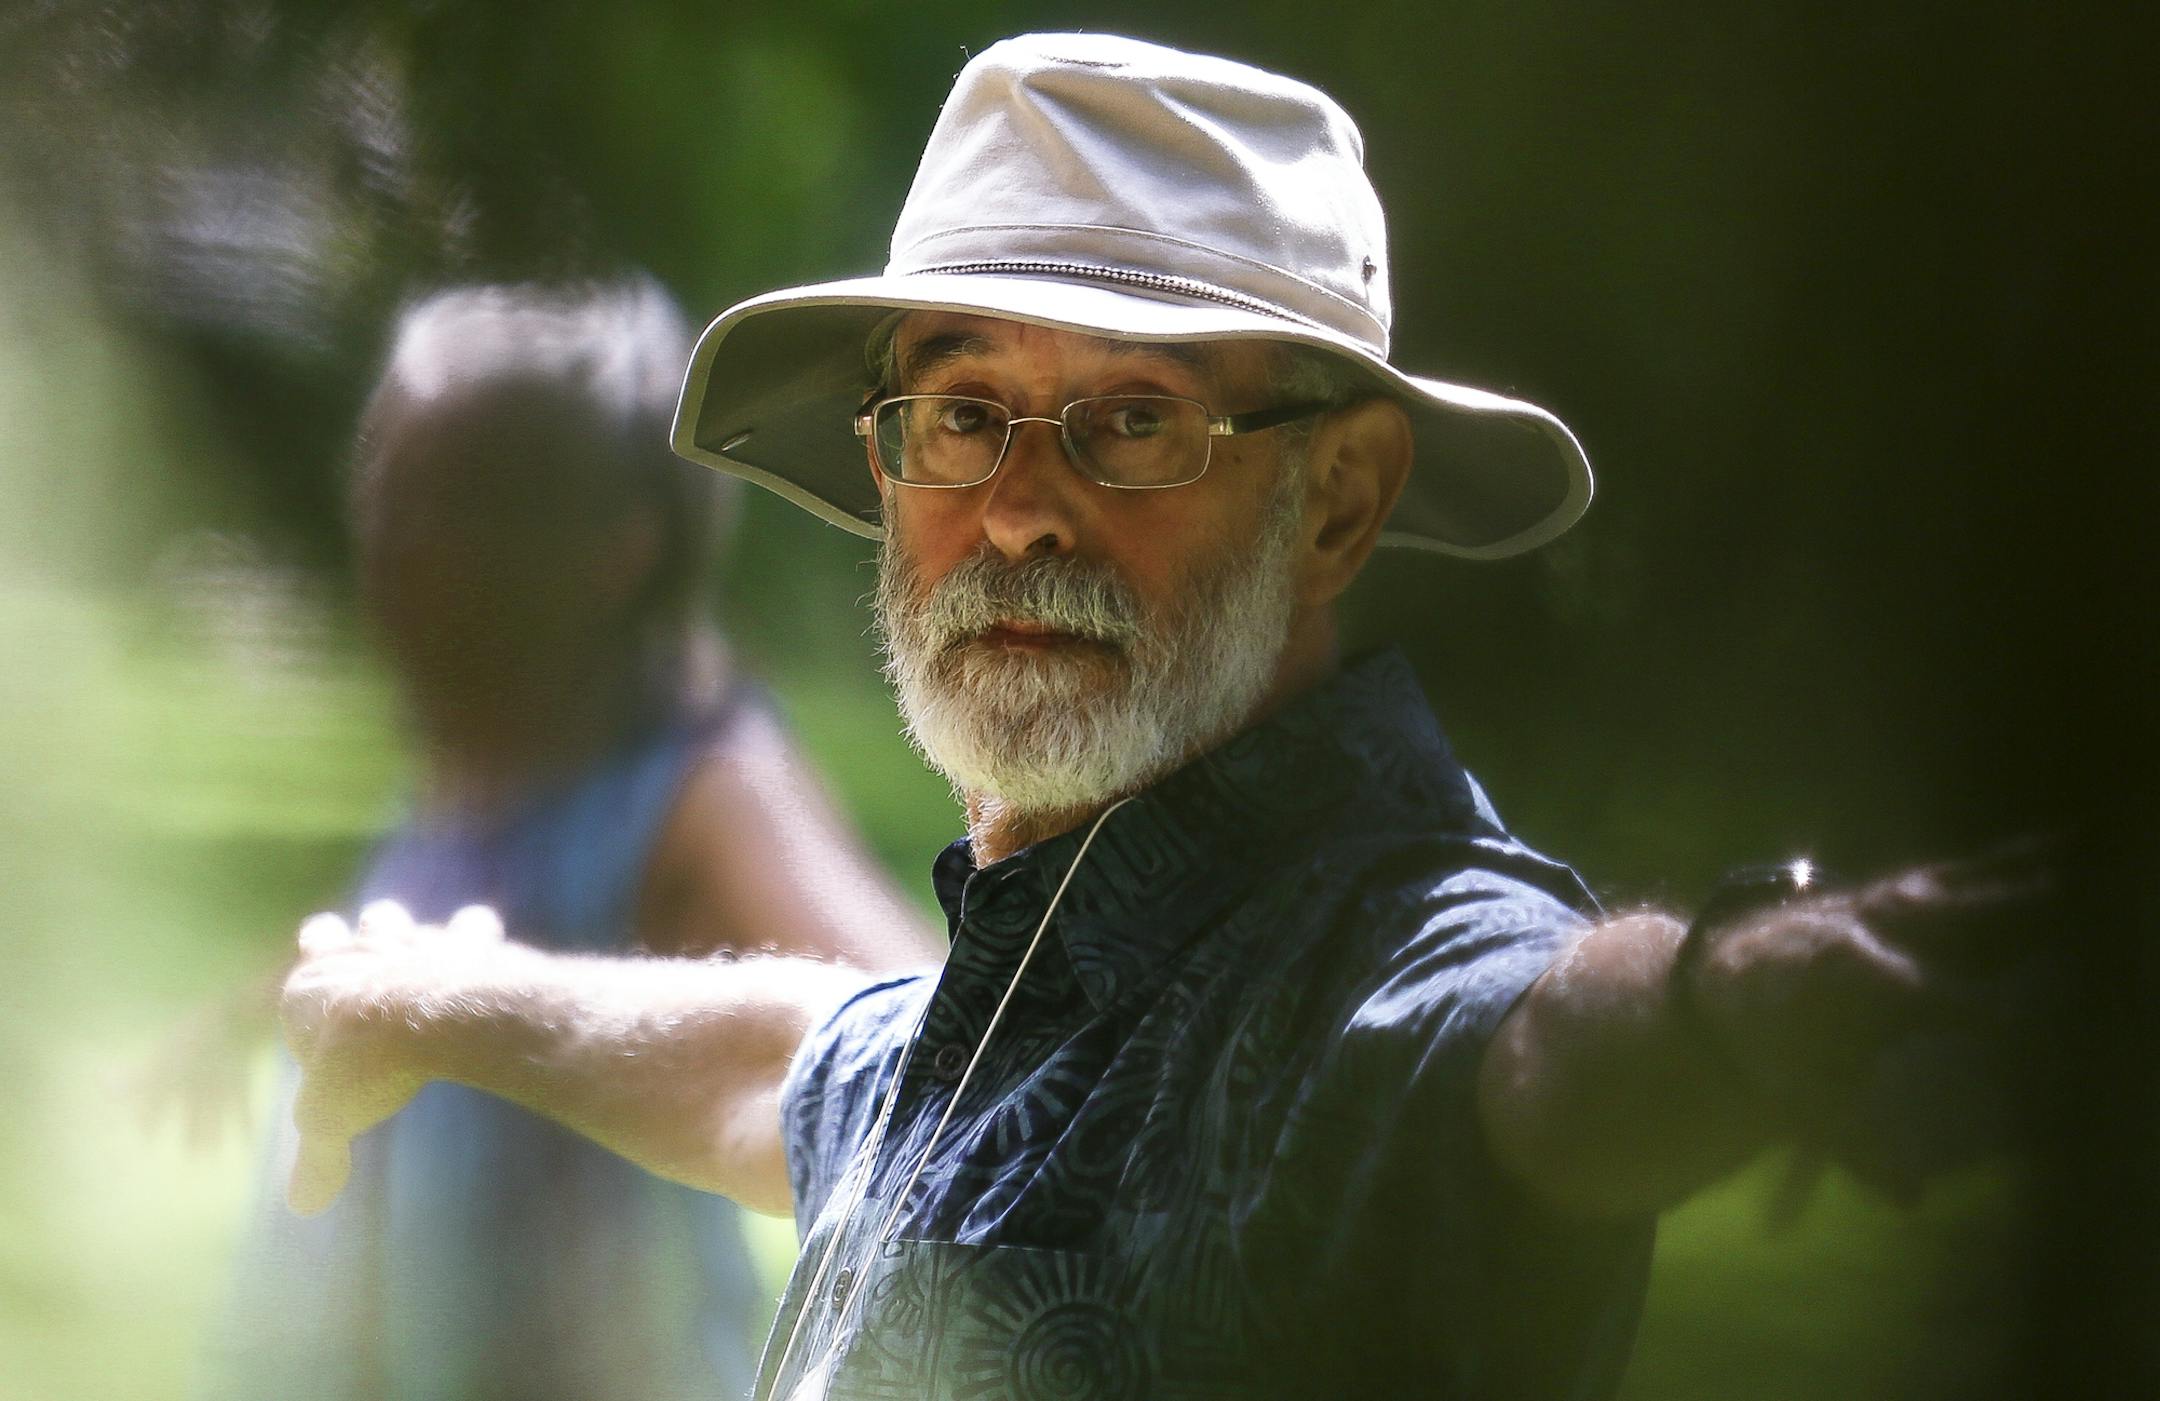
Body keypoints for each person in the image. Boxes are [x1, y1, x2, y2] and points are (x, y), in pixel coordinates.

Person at [277, 36, 2043, 1401]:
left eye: (1134, 422)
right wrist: (430, 999)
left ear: (1340, 500)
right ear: (887, 464)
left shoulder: (1354, 979)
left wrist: (1730, 998)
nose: (1025, 509)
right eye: (966, 413)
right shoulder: (1025, 978)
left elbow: (1510, 1040)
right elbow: (807, 1070)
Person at [210, 279, 938, 1401]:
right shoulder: (483, 749)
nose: (391, 540)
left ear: (616, 550)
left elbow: (945, 1069)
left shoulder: (697, 790)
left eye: (455, 503)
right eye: (383, 488)